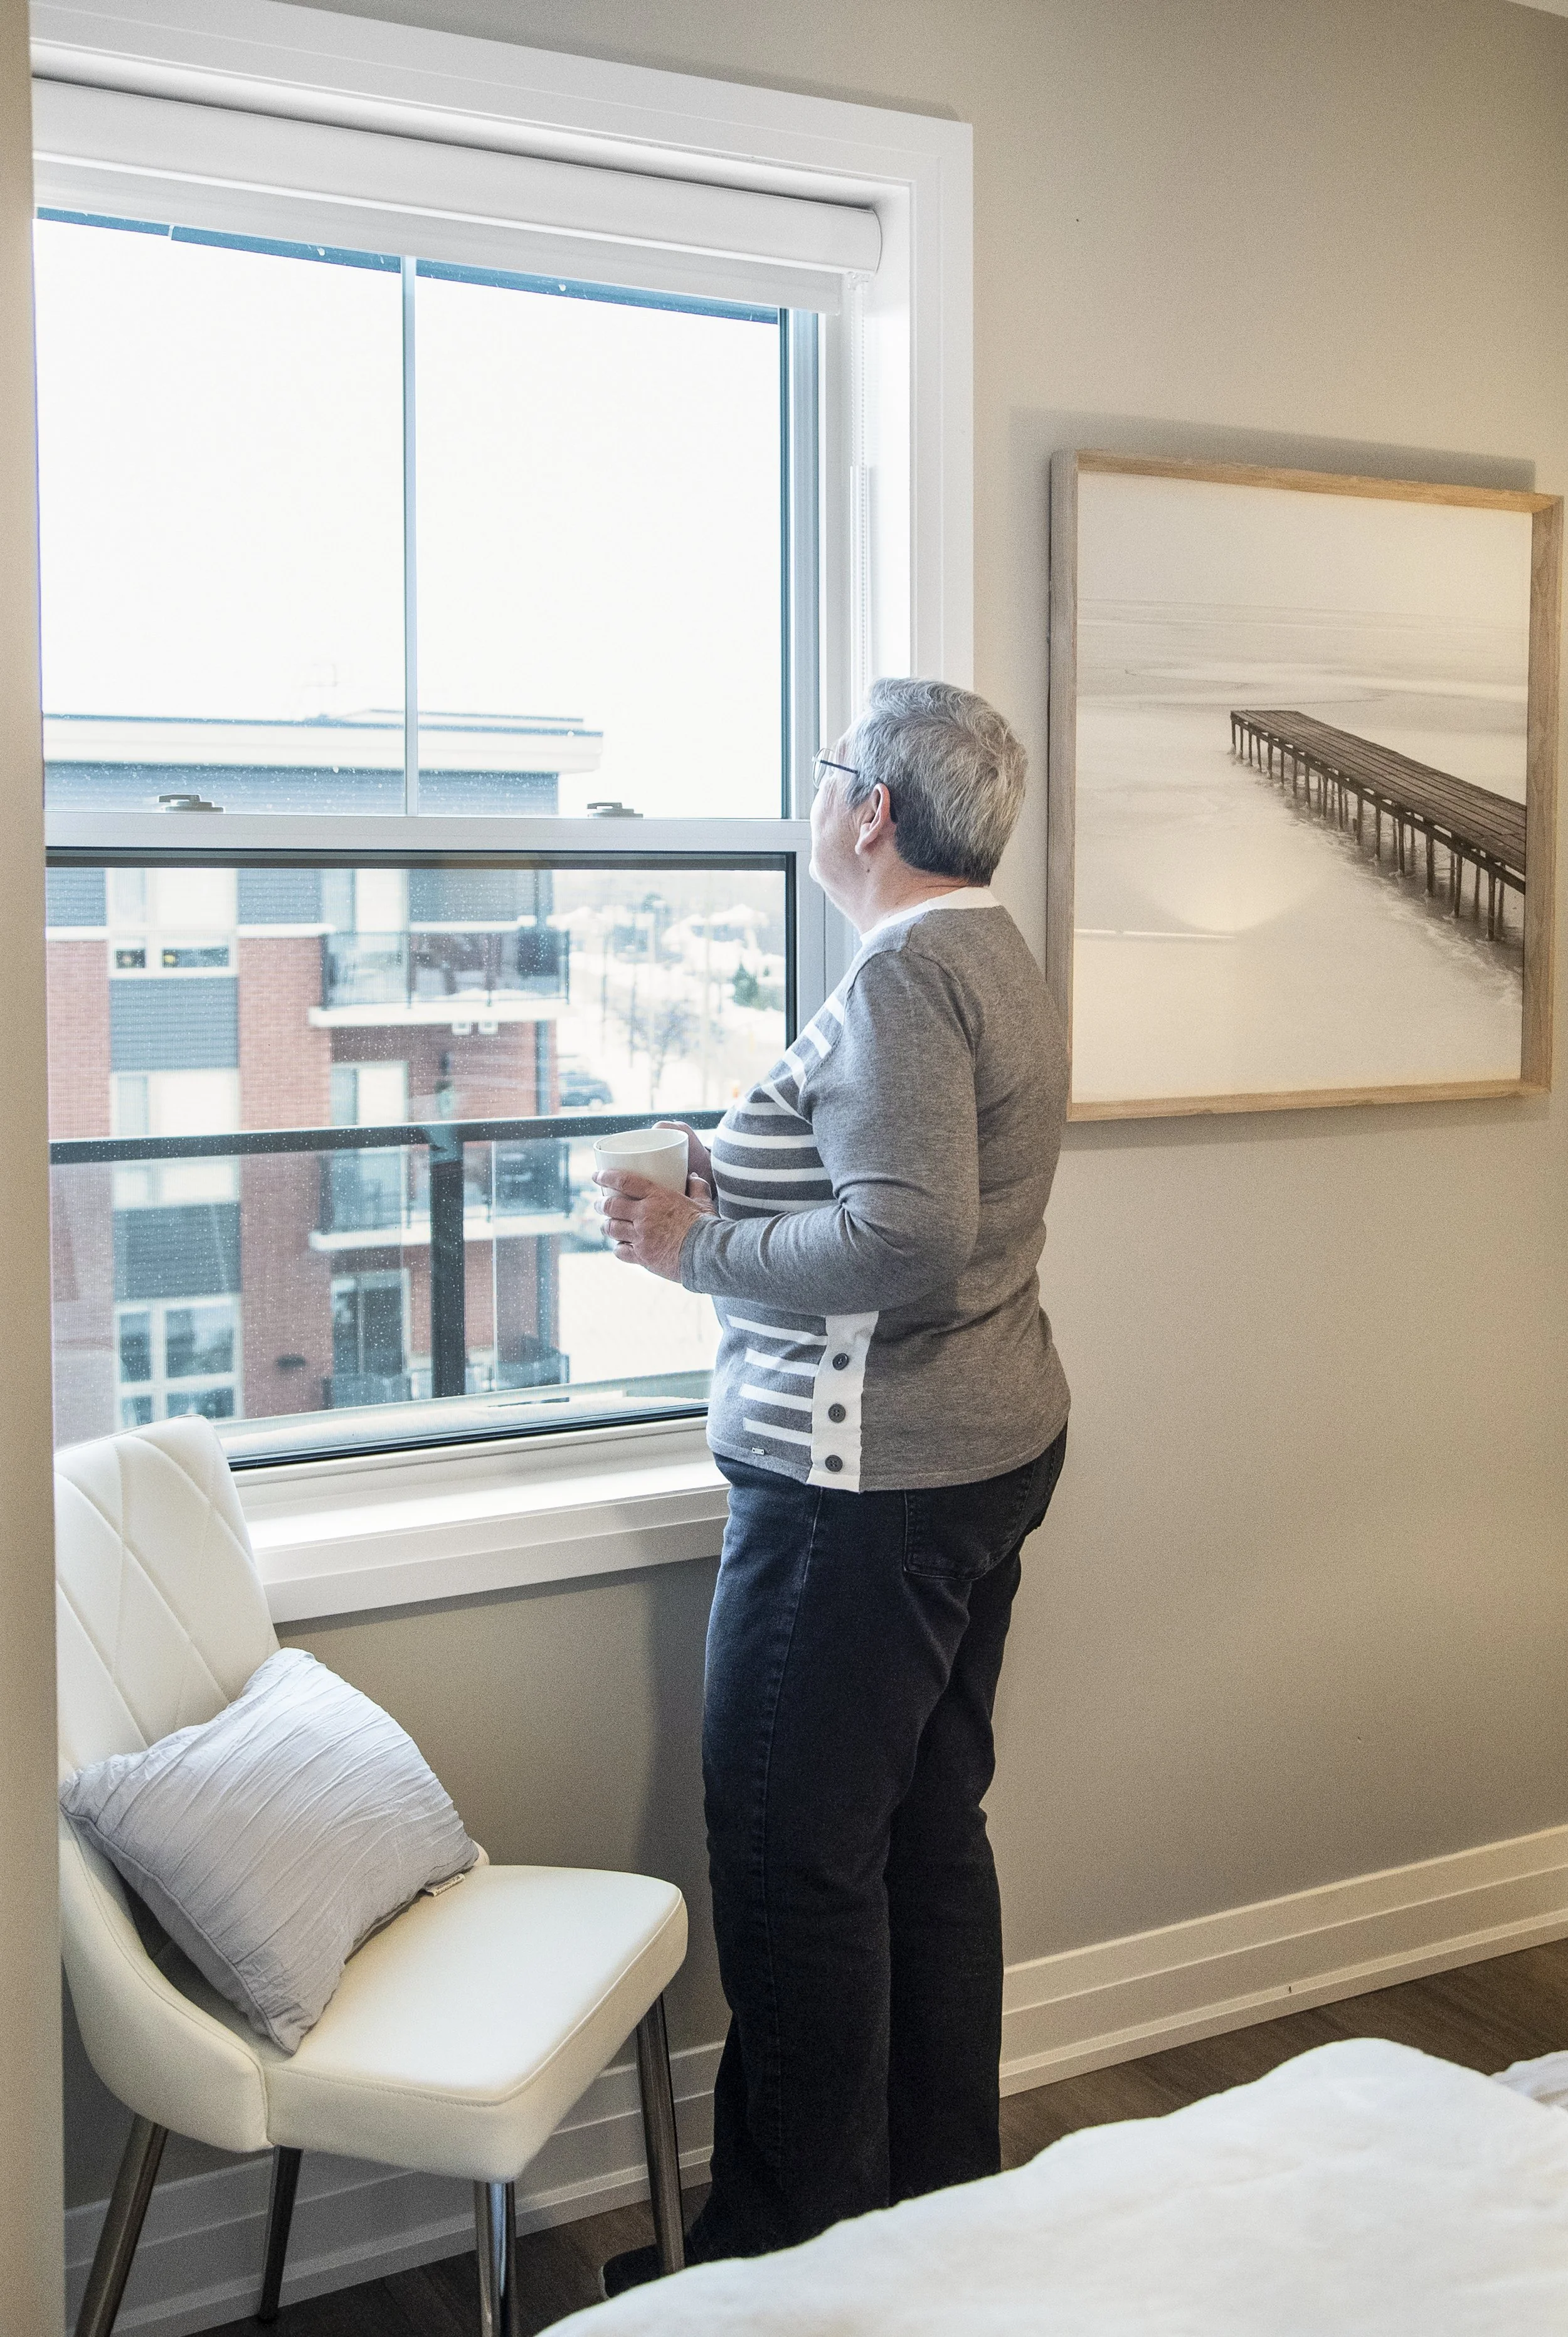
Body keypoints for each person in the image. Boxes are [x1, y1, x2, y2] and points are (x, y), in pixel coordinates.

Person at [596, 678, 1070, 2292]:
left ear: (870, 809)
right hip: (981, 1450)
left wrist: (690, 1245)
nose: (812, 796)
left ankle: (782, 2269)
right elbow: (904, 1177)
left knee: (794, 1866)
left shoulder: (900, 980)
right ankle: (932, 2220)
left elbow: (906, 1234)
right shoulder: (989, 955)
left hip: (860, 1488)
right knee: (927, 1835)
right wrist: (734, 1173)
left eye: (824, 773)